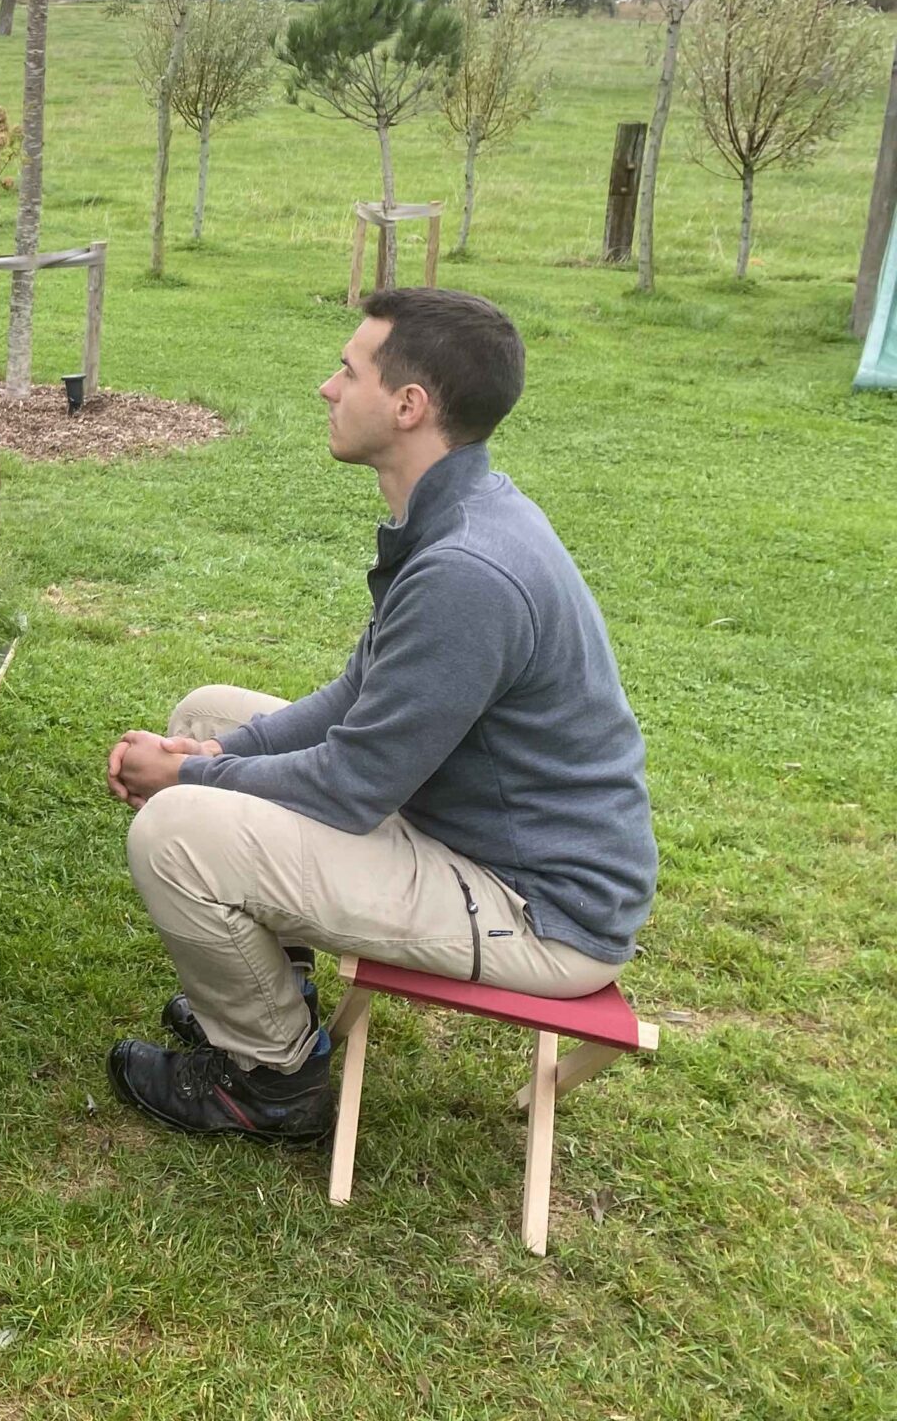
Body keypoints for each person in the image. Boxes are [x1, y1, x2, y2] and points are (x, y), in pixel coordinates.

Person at [102, 288, 658, 1143]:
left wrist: (188, 775)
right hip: (470, 833)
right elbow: (354, 702)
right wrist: (212, 751)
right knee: (209, 713)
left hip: (539, 911)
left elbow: (351, 785)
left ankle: (269, 1081)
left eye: (349, 370)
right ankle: (271, 989)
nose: (328, 388)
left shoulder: (468, 570)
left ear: (409, 406)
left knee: (175, 831)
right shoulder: (458, 517)